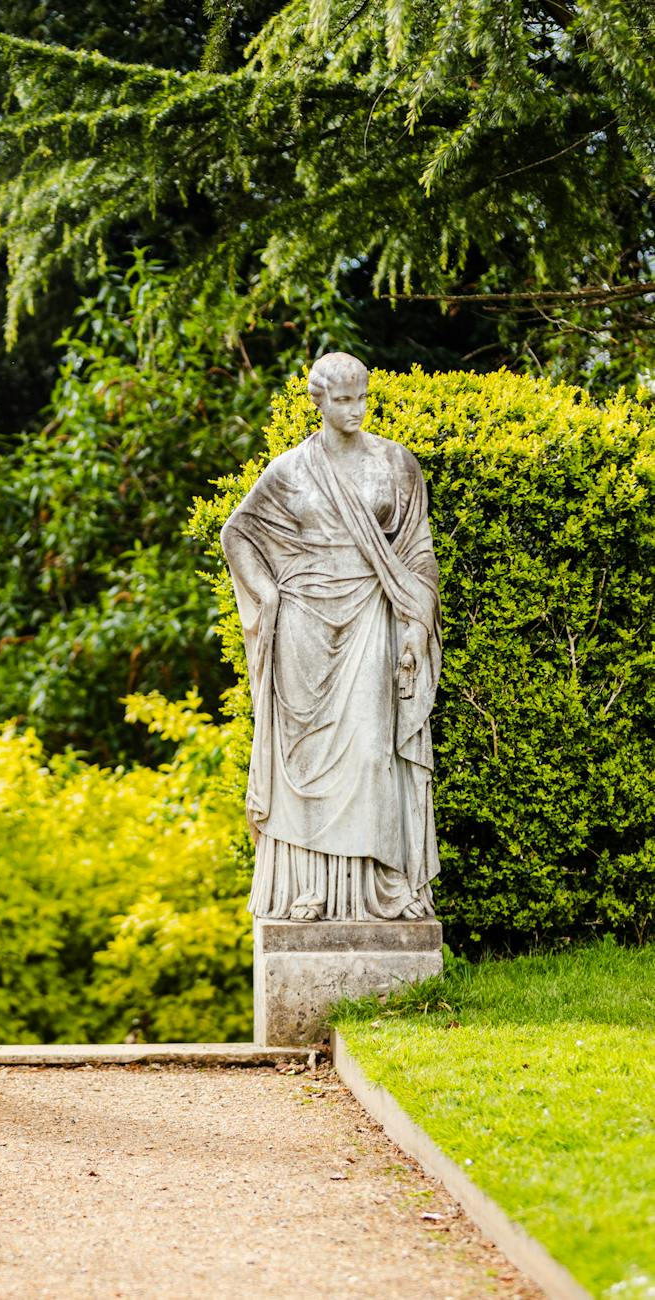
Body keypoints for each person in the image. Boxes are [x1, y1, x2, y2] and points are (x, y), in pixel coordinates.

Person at [220, 351, 441, 922]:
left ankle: (382, 887)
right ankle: (309, 889)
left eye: (363, 397)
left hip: (372, 614)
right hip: (303, 625)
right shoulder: (291, 469)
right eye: (343, 400)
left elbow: (417, 555)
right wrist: (267, 595)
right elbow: (237, 533)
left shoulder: (396, 464)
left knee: (372, 752)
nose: (356, 410)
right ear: (318, 402)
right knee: (307, 760)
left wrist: (416, 628)